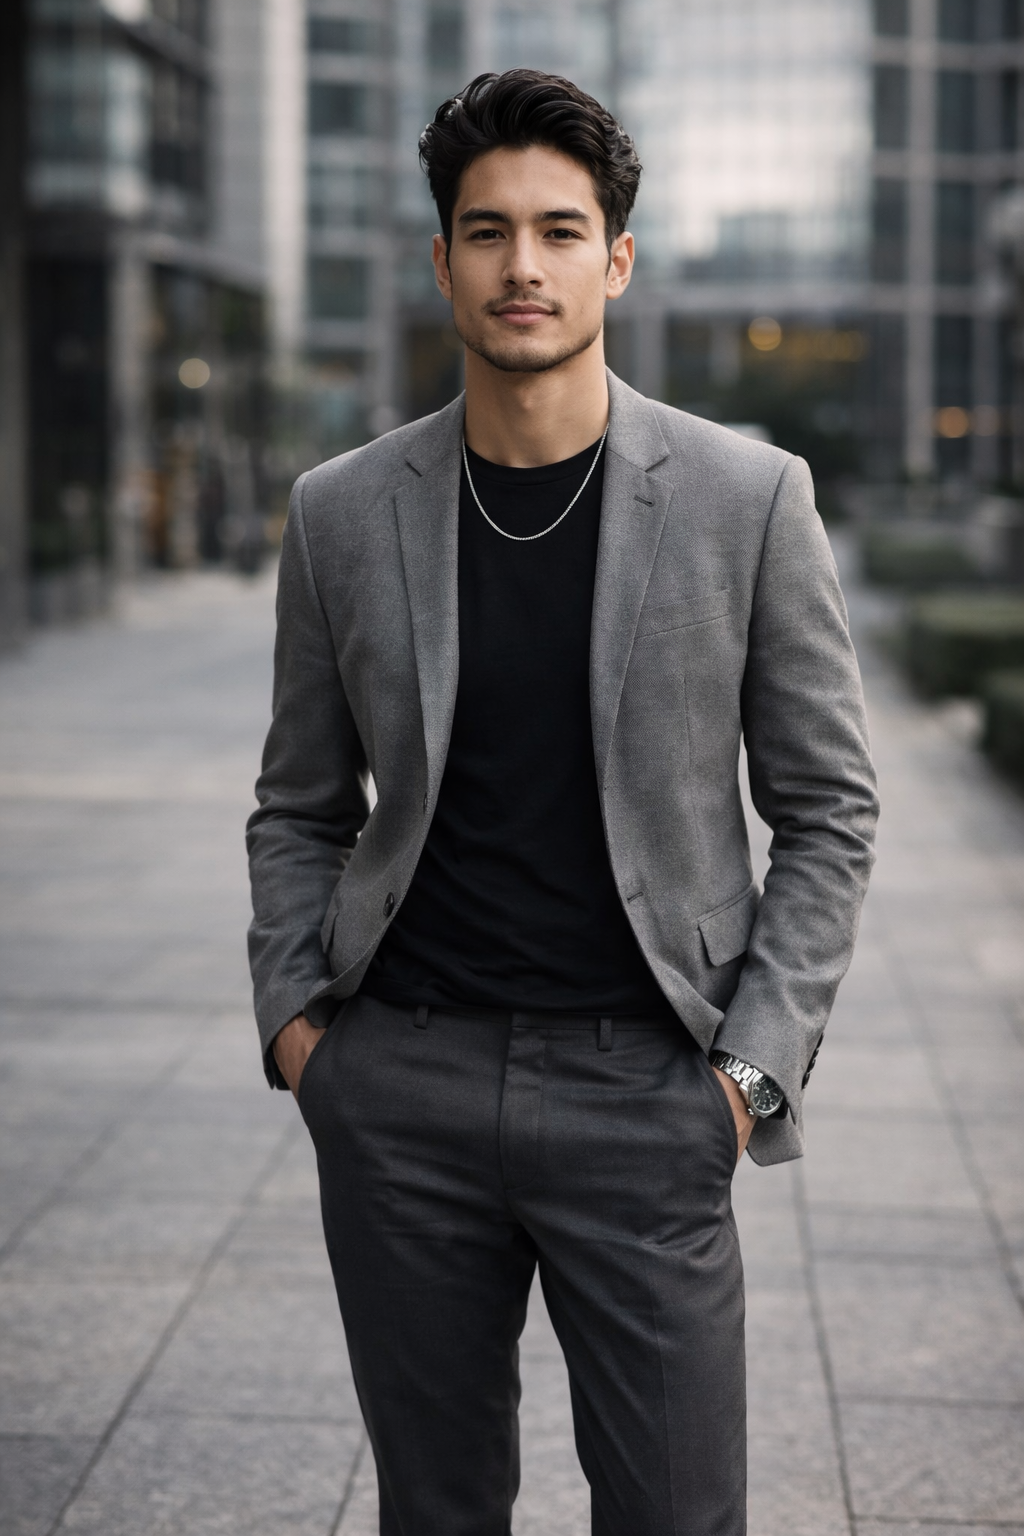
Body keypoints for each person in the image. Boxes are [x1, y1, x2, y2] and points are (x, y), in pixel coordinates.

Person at [247, 68, 878, 1536]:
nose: (521, 265)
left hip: (647, 1094)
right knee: (437, 1511)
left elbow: (830, 808)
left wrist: (749, 1077)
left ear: (617, 258)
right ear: (441, 261)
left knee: (677, 1512)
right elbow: (297, 800)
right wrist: (302, 1035)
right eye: (485, 232)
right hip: (400, 1085)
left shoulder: (747, 497)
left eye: (557, 229)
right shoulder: (342, 510)